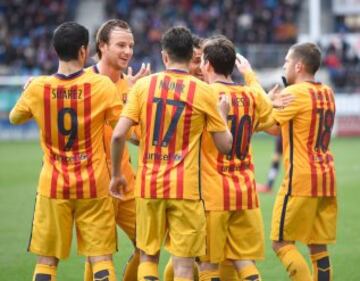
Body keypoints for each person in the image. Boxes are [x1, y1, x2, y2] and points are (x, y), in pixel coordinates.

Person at [110, 26, 233, 281]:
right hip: (186, 189)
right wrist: (222, 117)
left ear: (164, 56)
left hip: (149, 185)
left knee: (148, 257)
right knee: (184, 266)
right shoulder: (205, 92)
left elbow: (119, 135)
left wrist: (116, 175)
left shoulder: (143, 87)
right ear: (191, 57)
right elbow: (225, 146)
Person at [9, 22, 121, 281]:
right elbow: (122, 129)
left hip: (53, 186)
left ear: (55, 50)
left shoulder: (38, 88)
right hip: (93, 184)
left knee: (47, 261)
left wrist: (29, 90)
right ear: (84, 51)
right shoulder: (102, 86)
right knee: (101, 258)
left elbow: (15, 118)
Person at [197, 36, 275, 281]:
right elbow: (270, 116)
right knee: (245, 262)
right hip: (245, 190)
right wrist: (250, 75)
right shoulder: (251, 94)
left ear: (207, 64)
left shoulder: (204, 94)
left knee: (208, 264)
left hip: (214, 193)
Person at [263, 42, 337, 281]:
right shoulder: (327, 91)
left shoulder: (294, 93)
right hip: (326, 177)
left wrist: (265, 102)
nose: (283, 66)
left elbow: (272, 127)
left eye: (286, 62)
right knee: (318, 247)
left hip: (300, 179)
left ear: (298, 65)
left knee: (281, 242)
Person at [84, 18, 150, 281]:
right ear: (102, 46)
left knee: (147, 246)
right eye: (121, 45)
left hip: (125, 182)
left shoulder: (131, 87)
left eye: (131, 45)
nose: (128, 51)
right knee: (100, 255)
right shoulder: (84, 81)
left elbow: (134, 137)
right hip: (94, 185)